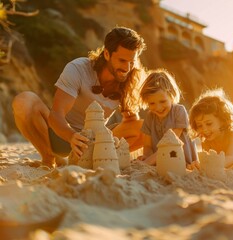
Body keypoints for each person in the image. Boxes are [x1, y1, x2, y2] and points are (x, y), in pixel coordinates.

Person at [12, 26, 146, 168]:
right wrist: (71, 136)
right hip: (62, 136)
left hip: (96, 143)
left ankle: (107, 159)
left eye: (132, 62)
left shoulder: (131, 79)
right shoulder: (79, 69)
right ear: (107, 54)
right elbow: (56, 114)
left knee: (145, 128)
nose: (127, 68)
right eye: (122, 61)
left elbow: (131, 122)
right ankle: (50, 158)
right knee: (23, 101)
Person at [137, 69, 198, 169]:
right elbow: (147, 145)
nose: (158, 108)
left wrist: (147, 162)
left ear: (171, 95)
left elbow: (171, 143)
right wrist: (146, 157)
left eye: (163, 101)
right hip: (158, 161)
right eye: (152, 103)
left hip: (182, 161)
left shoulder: (179, 111)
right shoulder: (150, 117)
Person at [188, 88, 233, 171]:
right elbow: (208, 159)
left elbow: (231, 157)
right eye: (199, 125)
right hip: (228, 170)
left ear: (222, 121)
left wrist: (211, 165)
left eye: (209, 124)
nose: (204, 129)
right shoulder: (206, 141)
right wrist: (199, 165)